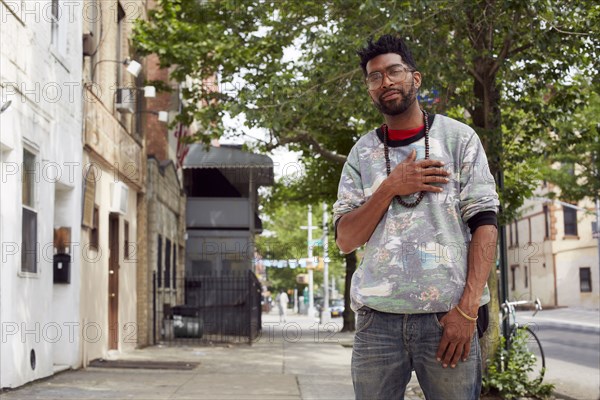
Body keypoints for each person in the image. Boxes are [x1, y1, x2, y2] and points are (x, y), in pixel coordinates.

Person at [333, 34, 499, 400]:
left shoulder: (459, 139)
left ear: (415, 78)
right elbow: (346, 238)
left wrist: (468, 310)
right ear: (369, 90)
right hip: (377, 321)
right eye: (374, 77)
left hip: (448, 317)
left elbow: (486, 225)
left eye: (394, 71)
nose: (386, 82)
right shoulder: (362, 153)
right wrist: (390, 186)